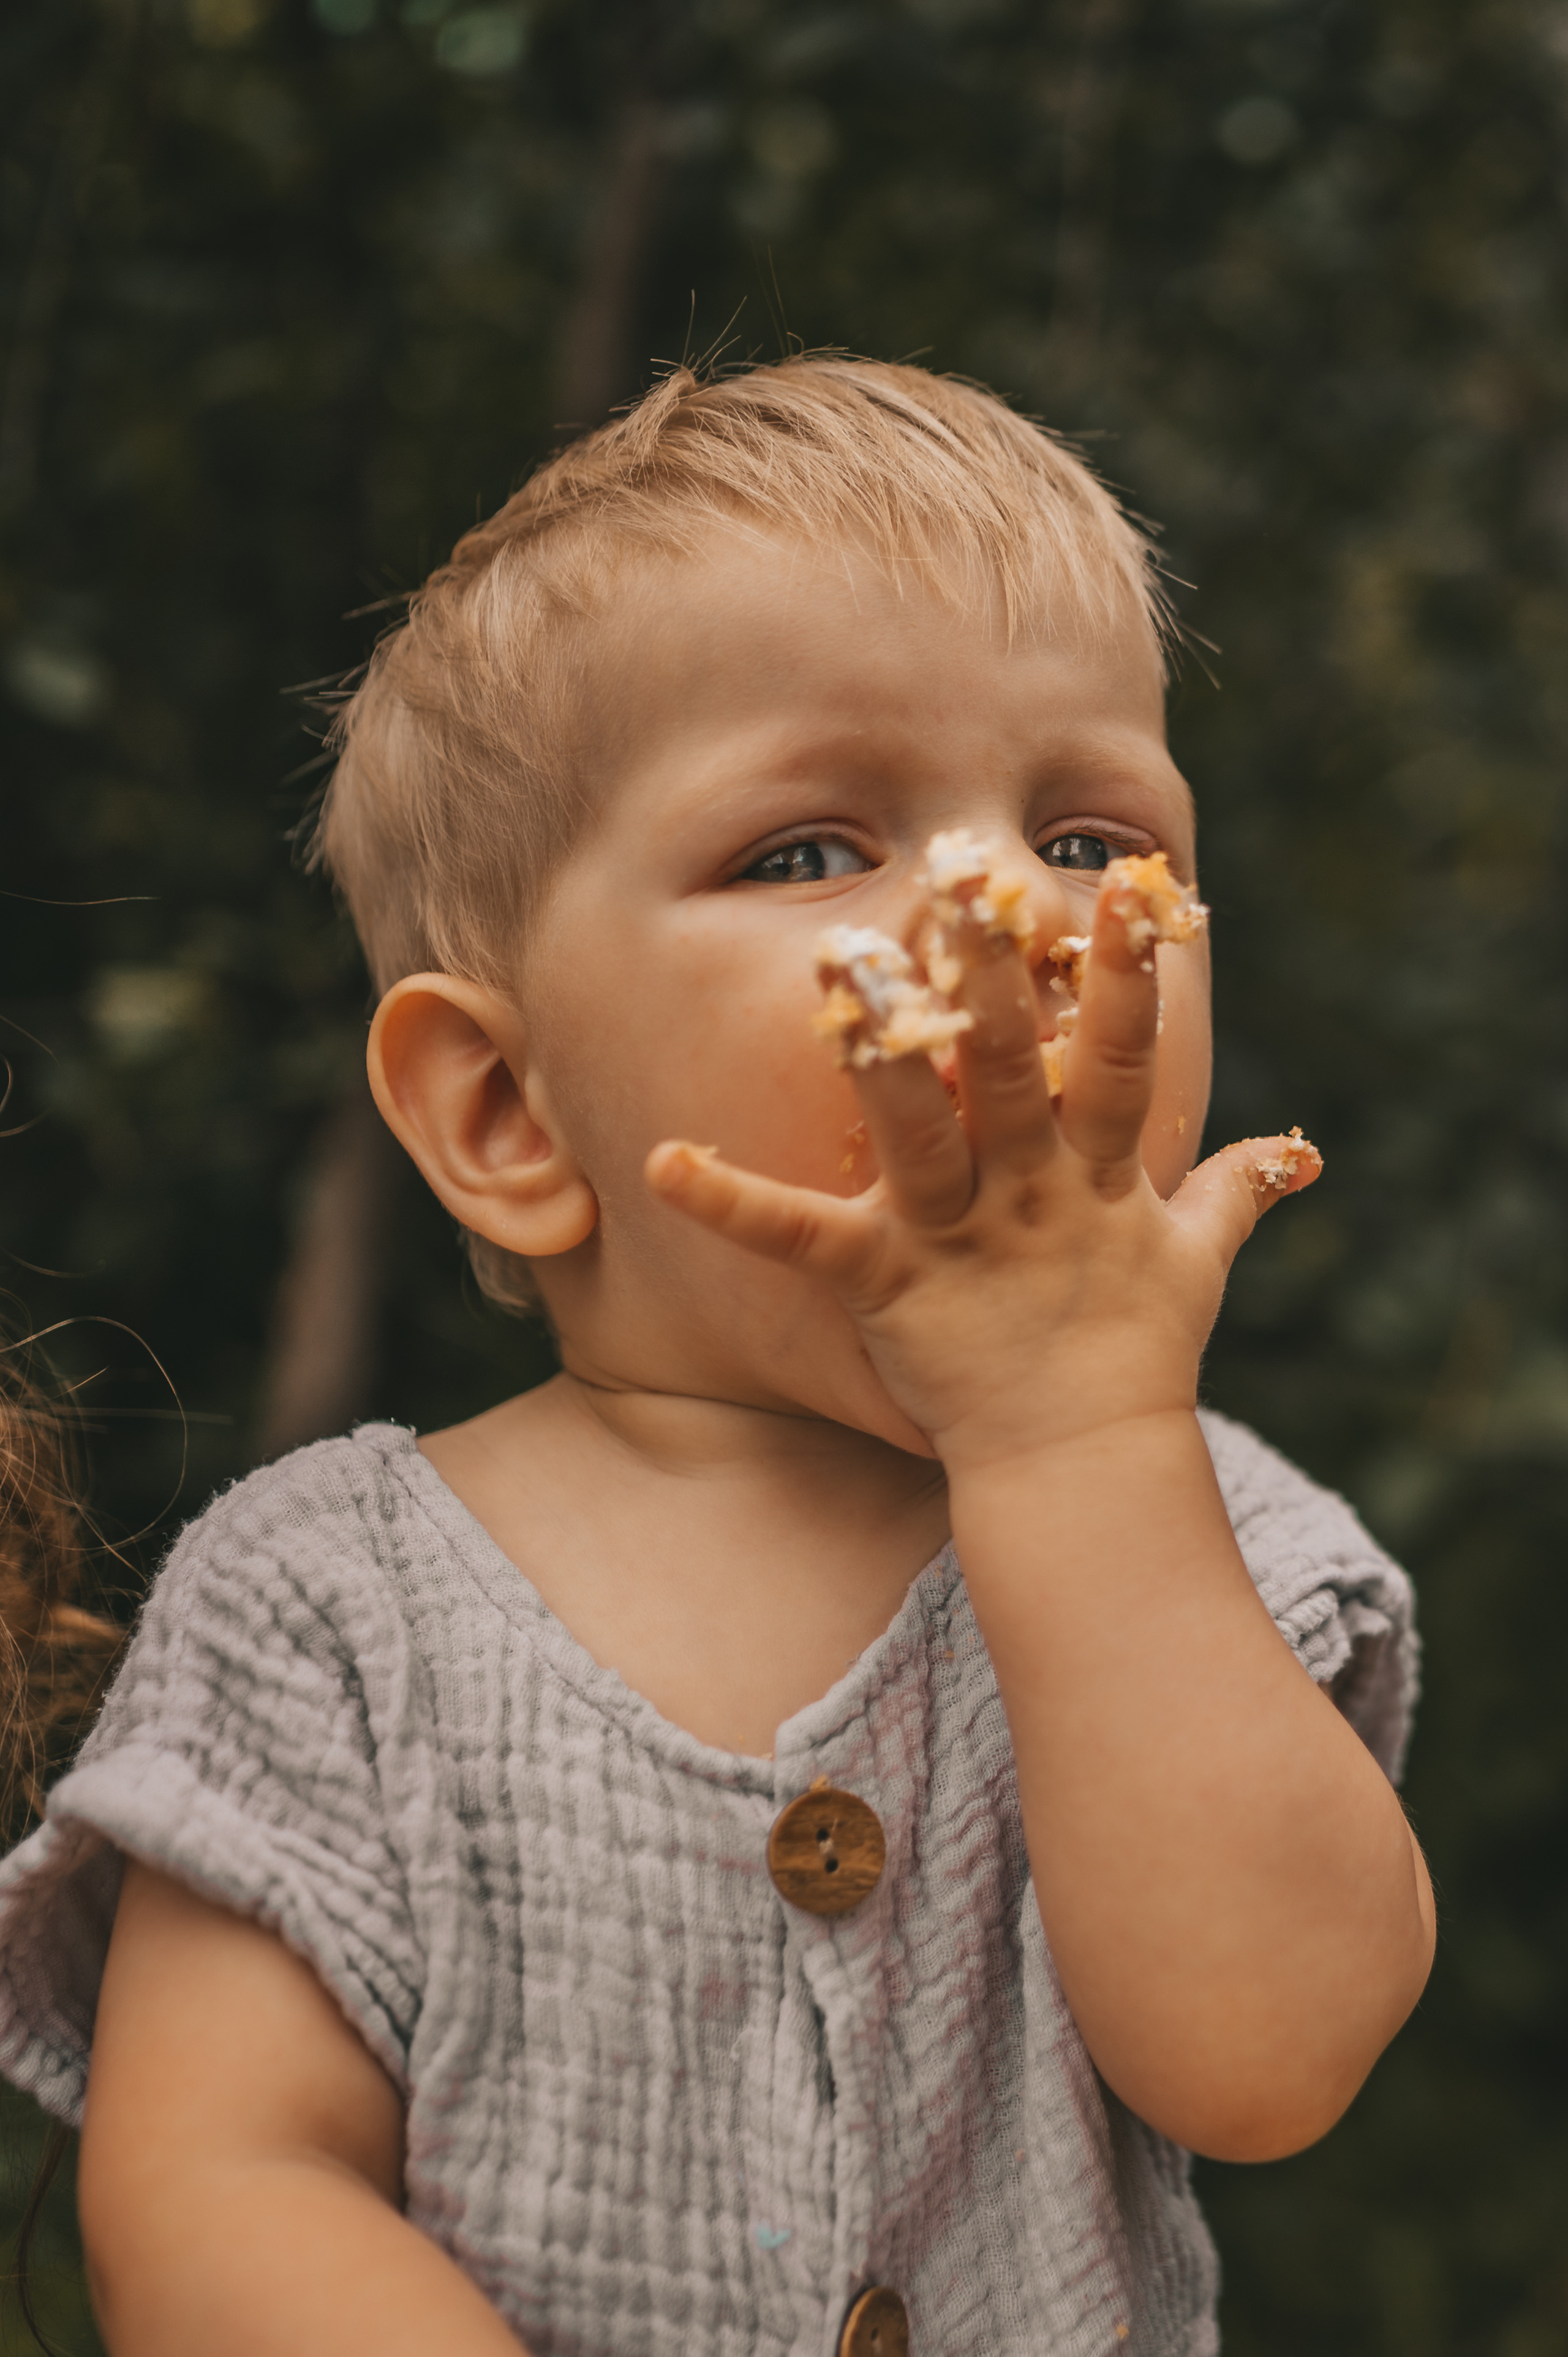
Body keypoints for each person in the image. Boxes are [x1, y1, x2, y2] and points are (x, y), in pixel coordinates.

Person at [0, 359, 1433, 2357]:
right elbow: (219, 2192)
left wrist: (1073, 1440)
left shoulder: (1209, 1542)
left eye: (1099, 838)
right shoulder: (328, 1605)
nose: (1009, 909)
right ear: (506, 1108)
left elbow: (1269, 2054)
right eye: (807, 851)